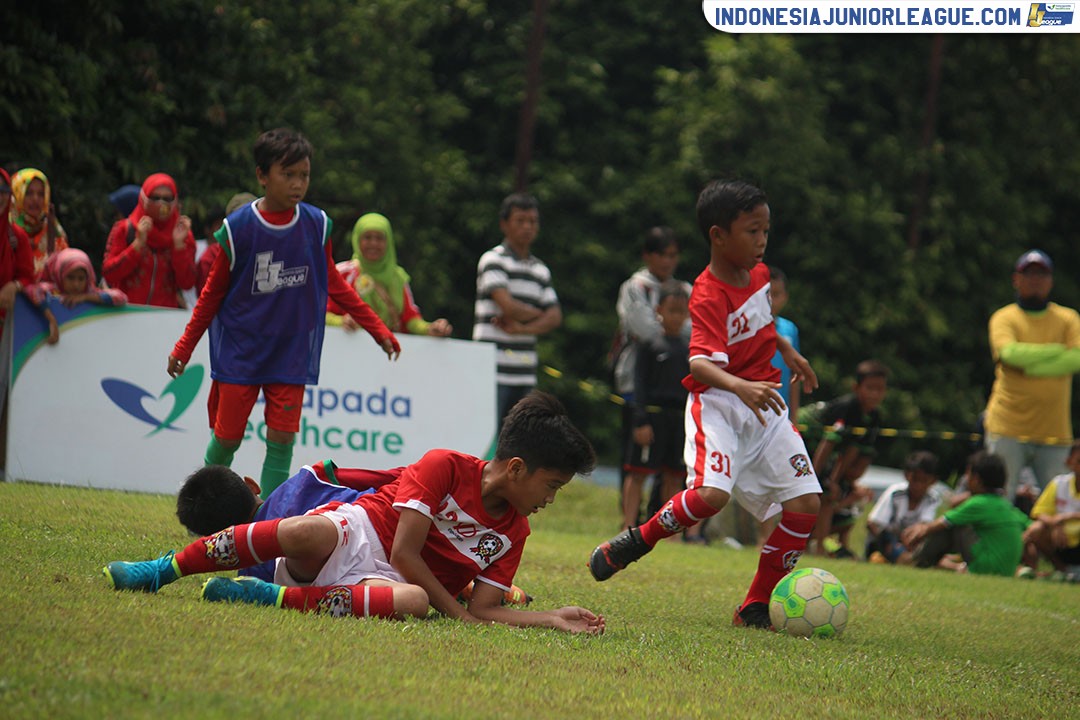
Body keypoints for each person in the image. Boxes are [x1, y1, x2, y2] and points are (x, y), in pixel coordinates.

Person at [104, 392, 603, 634]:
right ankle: (162, 570)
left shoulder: (514, 532)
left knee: (412, 602)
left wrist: (550, 618)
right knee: (305, 532)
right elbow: (404, 552)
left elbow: (486, 609)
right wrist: (457, 614)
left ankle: (269, 597)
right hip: (359, 533)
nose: (551, 499)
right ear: (516, 468)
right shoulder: (445, 467)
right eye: (552, 485)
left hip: (389, 584)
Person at [588, 179, 821, 631]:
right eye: (752, 231)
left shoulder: (759, 275)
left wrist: (786, 350)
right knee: (711, 496)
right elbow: (699, 363)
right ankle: (639, 538)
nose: (762, 240)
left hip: (764, 405)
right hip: (719, 404)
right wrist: (740, 386)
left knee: (806, 503)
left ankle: (754, 606)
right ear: (718, 235)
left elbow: (761, 323)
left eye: (766, 230)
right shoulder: (708, 293)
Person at [167, 128, 401, 501]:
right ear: (262, 175)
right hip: (242, 350)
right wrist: (184, 346)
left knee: (281, 439)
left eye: (304, 175)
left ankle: (266, 520)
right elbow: (211, 295)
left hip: (291, 351)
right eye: (287, 174)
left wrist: (379, 330)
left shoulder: (315, 224)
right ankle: (200, 506)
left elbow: (334, 284)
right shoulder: (238, 229)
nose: (297, 184)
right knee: (227, 438)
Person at [176, 460, 532, 604]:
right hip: (374, 534)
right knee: (420, 563)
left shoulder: (250, 568)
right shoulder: (309, 477)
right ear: (252, 484)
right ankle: (473, 588)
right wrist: (414, 481)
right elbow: (381, 479)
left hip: (355, 548)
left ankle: (473, 589)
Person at [984, 249, 1080, 503]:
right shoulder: (1004, 317)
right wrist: (1058, 351)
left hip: (1055, 432)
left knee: (1062, 504)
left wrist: (1030, 367)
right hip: (1007, 428)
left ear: (1051, 280)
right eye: (1029, 274)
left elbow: (1078, 358)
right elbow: (1009, 355)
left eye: (1042, 274)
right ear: (1016, 279)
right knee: (999, 499)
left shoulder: (1068, 318)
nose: (1036, 280)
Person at [612, 227, 692, 520]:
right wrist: (671, 328)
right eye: (662, 255)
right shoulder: (635, 286)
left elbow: (694, 329)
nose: (668, 261)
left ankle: (659, 519)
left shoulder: (685, 289)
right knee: (635, 457)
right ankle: (629, 520)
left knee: (672, 464)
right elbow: (643, 328)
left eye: (673, 255)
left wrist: (671, 325)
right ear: (648, 255)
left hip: (676, 386)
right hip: (638, 380)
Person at [473, 193, 561, 427]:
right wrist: (540, 314)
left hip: (525, 372)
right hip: (491, 370)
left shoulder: (540, 269)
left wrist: (521, 329)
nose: (527, 227)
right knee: (487, 437)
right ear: (504, 224)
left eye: (532, 221)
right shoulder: (493, 260)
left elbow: (556, 318)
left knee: (520, 439)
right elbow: (508, 306)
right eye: (520, 220)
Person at [621, 280, 691, 534]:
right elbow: (639, 385)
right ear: (659, 310)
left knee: (674, 476)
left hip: (679, 419)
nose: (676, 317)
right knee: (638, 472)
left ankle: (667, 530)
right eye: (671, 310)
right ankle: (628, 525)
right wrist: (640, 420)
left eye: (681, 312)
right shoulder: (649, 345)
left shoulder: (689, 349)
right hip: (652, 417)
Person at [807, 359, 888, 557]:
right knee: (821, 493)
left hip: (825, 453)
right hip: (806, 441)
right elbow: (827, 444)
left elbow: (851, 451)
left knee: (828, 495)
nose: (875, 394)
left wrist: (835, 481)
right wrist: (813, 478)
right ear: (856, 388)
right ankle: (817, 548)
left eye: (880, 389)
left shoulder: (874, 417)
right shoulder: (847, 407)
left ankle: (821, 547)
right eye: (870, 388)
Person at [904, 451, 1030, 576]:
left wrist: (918, 532)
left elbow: (944, 521)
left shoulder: (979, 502)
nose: (966, 479)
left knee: (953, 525)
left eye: (968, 474)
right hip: (1006, 571)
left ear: (976, 479)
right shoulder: (1005, 505)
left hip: (986, 567)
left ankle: (917, 562)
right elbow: (1028, 525)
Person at [327, 212, 452, 337]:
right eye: (367, 237)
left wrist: (430, 328)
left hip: (386, 347)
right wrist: (341, 322)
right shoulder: (341, 273)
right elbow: (321, 313)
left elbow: (411, 320)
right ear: (357, 240)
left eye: (379, 238)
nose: (373, 243)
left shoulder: (398, 277)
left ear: (388, 242)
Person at [102, 173, 197, 308]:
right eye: (155, 198)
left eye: (167, 199)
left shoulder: (183, 235)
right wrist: (137, 244)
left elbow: (187, 283)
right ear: (143, 199)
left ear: (175, 201)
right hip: (126, 313)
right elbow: (109, 274)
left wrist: (179, 246)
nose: (161, 204)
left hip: (163, 316)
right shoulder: (124, 229)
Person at [23, 248, 127, 344]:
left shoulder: (89, 291)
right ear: (60, 274)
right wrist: (51, 319)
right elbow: (32, 290)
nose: (76, 284)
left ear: (87, 278)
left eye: (81, 279)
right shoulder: (54, 290)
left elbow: (121, 297)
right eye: (70, 278)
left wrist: (85, 297)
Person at [864, 450, 945, 564]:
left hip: (911, 543)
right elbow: (873, 523)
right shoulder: (895, 493)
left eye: (924, 481)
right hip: (886, 541)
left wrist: (912, 540)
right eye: (915, 479)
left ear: (933, 481)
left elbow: (924, 525)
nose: (918, 485)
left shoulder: (933, 499)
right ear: (907, 476)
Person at [1020, 439, 1080, 580]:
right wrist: (1055, 523)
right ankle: (1060, 570)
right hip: (1060, 542)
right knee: (1035, 529)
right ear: (1068, 462)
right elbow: (1038, 513)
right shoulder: (1059, 483)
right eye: (1079, 461)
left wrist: (1064, 517)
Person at [10, 168, 69, 280]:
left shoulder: (54, 229)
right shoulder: (6, 228)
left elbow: (67, 270)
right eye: (28, 193)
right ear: (17, 194)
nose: (35, 199)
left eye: (41, 194)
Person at [196, 193, 255, 295]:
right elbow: (207, 295)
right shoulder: (213, 255)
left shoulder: (272, 245)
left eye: (252, 219)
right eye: (241, 220)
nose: (246, 226)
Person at [0, 168, 35, 328]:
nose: (0, 197)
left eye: (4, 191)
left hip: (6, 330)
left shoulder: (16, 236)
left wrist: (14, 286)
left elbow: (28, 277)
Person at [768, 266, 801, 418]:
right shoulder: (746, 328)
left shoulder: (790, 329)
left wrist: (794, 418)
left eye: (775, 294)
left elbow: (794, 376)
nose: (770, 300)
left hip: (781, 413)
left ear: (785, 297)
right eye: (766, 294)